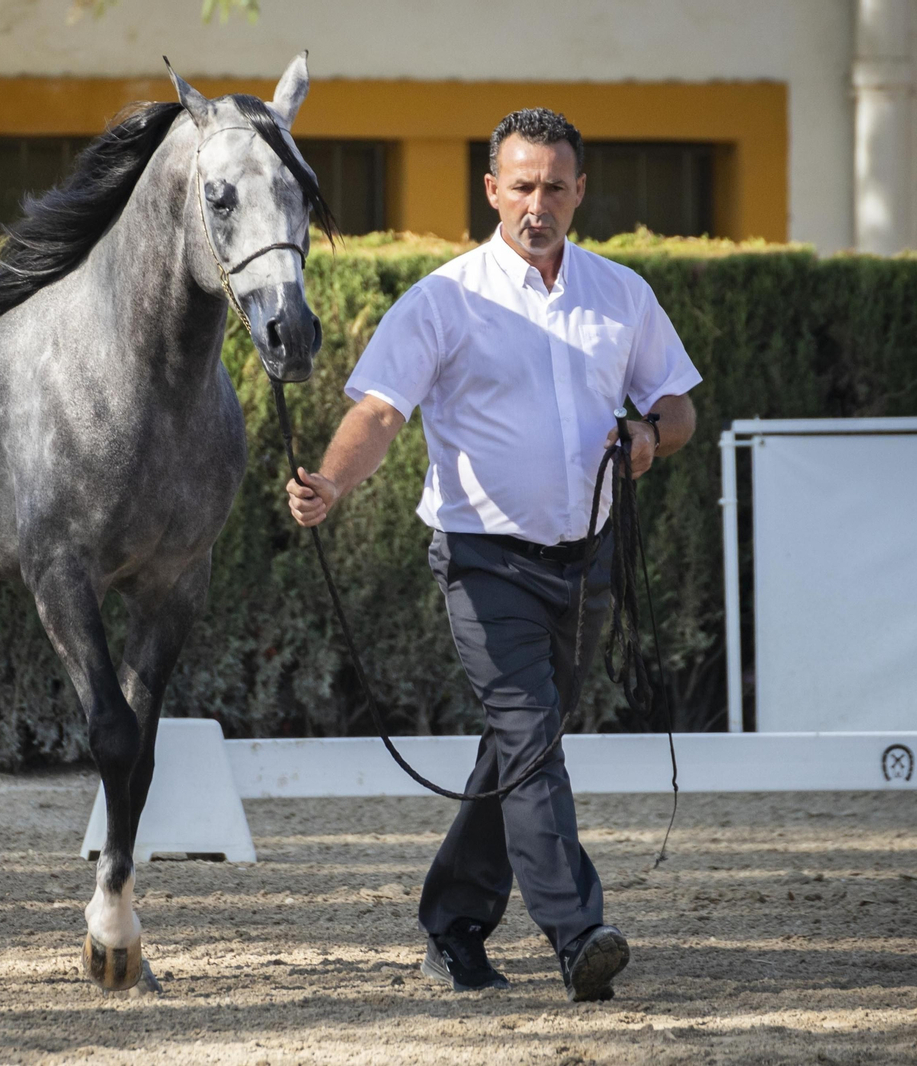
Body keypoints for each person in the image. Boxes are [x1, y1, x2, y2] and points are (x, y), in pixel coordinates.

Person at [286, 108, 701, 1002]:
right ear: (491, 190)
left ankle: (453, 922)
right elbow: (381, 411)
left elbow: (677, 404)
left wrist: (649, 437)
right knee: (527, 732)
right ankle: (577, 931)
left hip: (587, 558)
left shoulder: (620, 294)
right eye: (521, 186)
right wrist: (330, 481)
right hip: (484, 560)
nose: (537, 204)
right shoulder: (445, 299)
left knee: (524, 744)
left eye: (555, 186)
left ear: (580, 191)